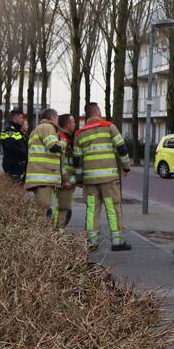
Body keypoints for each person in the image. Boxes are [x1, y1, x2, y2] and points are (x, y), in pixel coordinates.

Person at [75, 102, 131, 251]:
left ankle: (92, 242)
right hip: (109, 179)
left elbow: (76, 159)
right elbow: (121, 148)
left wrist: (79, 179)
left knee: (92, 209)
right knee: (113, 208)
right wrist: (126, 166)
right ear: (98, 111)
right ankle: (118, 242)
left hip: (90, 180)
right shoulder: (109, 127)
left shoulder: (80, 133)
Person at [24, 108, 68, 219]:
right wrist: (63, 143)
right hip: (44, 176)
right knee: (44, 210)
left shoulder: (36, 130)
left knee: (41, 209)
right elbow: (54, 146)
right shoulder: (47, 127)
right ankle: (41, 234)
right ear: (53, 118)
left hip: (40, 176)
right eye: (57, 117)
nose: (58, 120)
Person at [53, 113, 78, 230]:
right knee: (63, 208)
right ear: (68, 124)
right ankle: (57, 234)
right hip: (65, 180)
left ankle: (57, 233)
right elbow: (60, 161)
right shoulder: (62, 138)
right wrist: (65, 179)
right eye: (73, 122)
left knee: (64, 208)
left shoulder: (66, 137)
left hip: (68, 179)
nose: (75, 125)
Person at [0, 109, 29, 181]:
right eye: (21, 118)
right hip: (13, 164)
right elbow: (10, 147)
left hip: (17, 163)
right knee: (13, 186)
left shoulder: (17, 130)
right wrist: (24, 153)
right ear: (15, 118)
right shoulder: (10, 130)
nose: (22, 120)